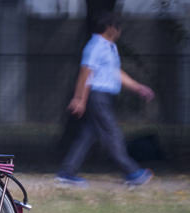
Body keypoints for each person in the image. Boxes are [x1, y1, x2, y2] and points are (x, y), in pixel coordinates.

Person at [55, 10, 155, 186]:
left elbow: (116, 72)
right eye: (118, 27)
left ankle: (67, 172)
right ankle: (133, 173)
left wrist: (137, 87)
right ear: (110, 28)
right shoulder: (95, 46)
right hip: (96, 96)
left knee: (88, 135)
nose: (119, 31)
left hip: (104, 97)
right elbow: (85, 74)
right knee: (113, 135)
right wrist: (80, 99)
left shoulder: (110, 47)